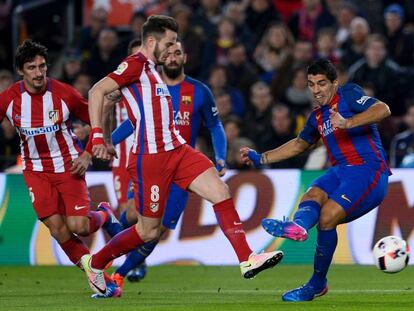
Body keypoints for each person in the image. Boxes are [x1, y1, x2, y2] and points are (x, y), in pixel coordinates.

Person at [82, 15, 283, 297]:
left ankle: (247, 258)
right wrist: (98, 136)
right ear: (151, 41)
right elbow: (97, 91)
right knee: (148, 232)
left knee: (220, 191)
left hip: (178, 150)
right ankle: (96, 263)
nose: (173, 47)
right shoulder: (135, 64)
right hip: (150, 158)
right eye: (169, 41)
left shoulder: (154, 70)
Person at [240, 59, 391, 302]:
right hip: (340, 171)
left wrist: (348, 122)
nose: (316, 89)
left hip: (369, 171)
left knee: (327, 216)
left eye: (321, 83)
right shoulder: (317, 116)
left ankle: (316, 284)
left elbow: (383, 109)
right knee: (312, 195)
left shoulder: (349, 94)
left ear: (334, 83)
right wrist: (262, 157)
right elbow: (299, 144)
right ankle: (298, 226)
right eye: (311, 84)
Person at [105, 41, 229, 288]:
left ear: (185, 57)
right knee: (131, 213)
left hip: (181, 170)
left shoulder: (199, 91)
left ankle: (120, 274)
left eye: (177, 53)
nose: (172, 58)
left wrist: (221, 155)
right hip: (149, 162)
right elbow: (132, 122)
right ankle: (110, 225)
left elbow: (214, 125)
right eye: (168, 54)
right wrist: (107, 142)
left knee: (157, 230)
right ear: (160, 58)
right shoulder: (148, 87)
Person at [0, 40, 119, 294]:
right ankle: (94, 271)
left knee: (79, 227)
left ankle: (105, 214)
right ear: (21, 71)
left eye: (42, 66)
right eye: (32, 67)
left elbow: (96, 121)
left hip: (68, 166)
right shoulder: (9, 99)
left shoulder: (64, 94)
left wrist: (88, 154)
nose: (39, 72)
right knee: (58, 229)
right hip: (35, 171)